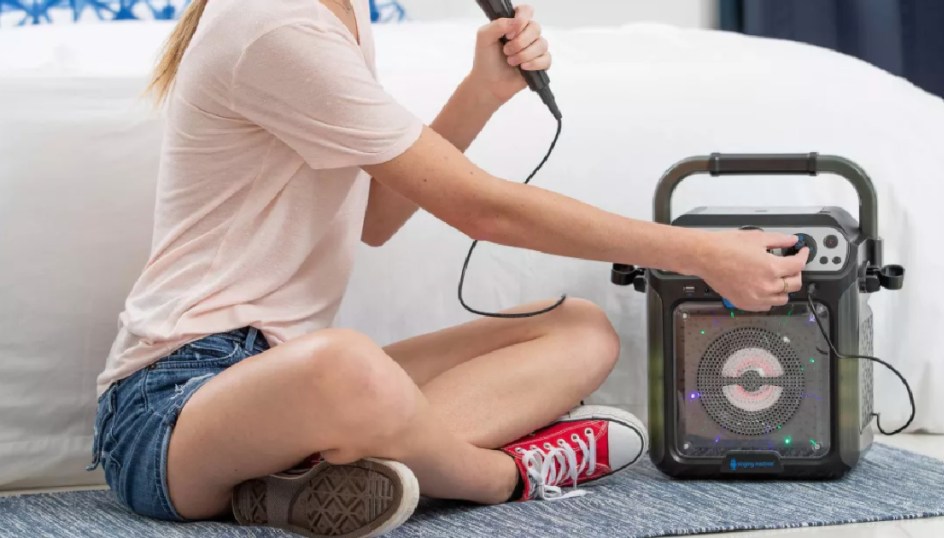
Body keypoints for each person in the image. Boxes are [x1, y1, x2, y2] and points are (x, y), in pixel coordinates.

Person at [88, 0, 810, 536]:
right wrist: (699, 252)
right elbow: (481, 211)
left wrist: (480, 93)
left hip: (283, 388)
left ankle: (301, 484)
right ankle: (508, 474)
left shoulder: (339, 12)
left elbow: (374, 219)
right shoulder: (274, 23)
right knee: (346, 365)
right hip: (169, 413)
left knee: (578, 329)